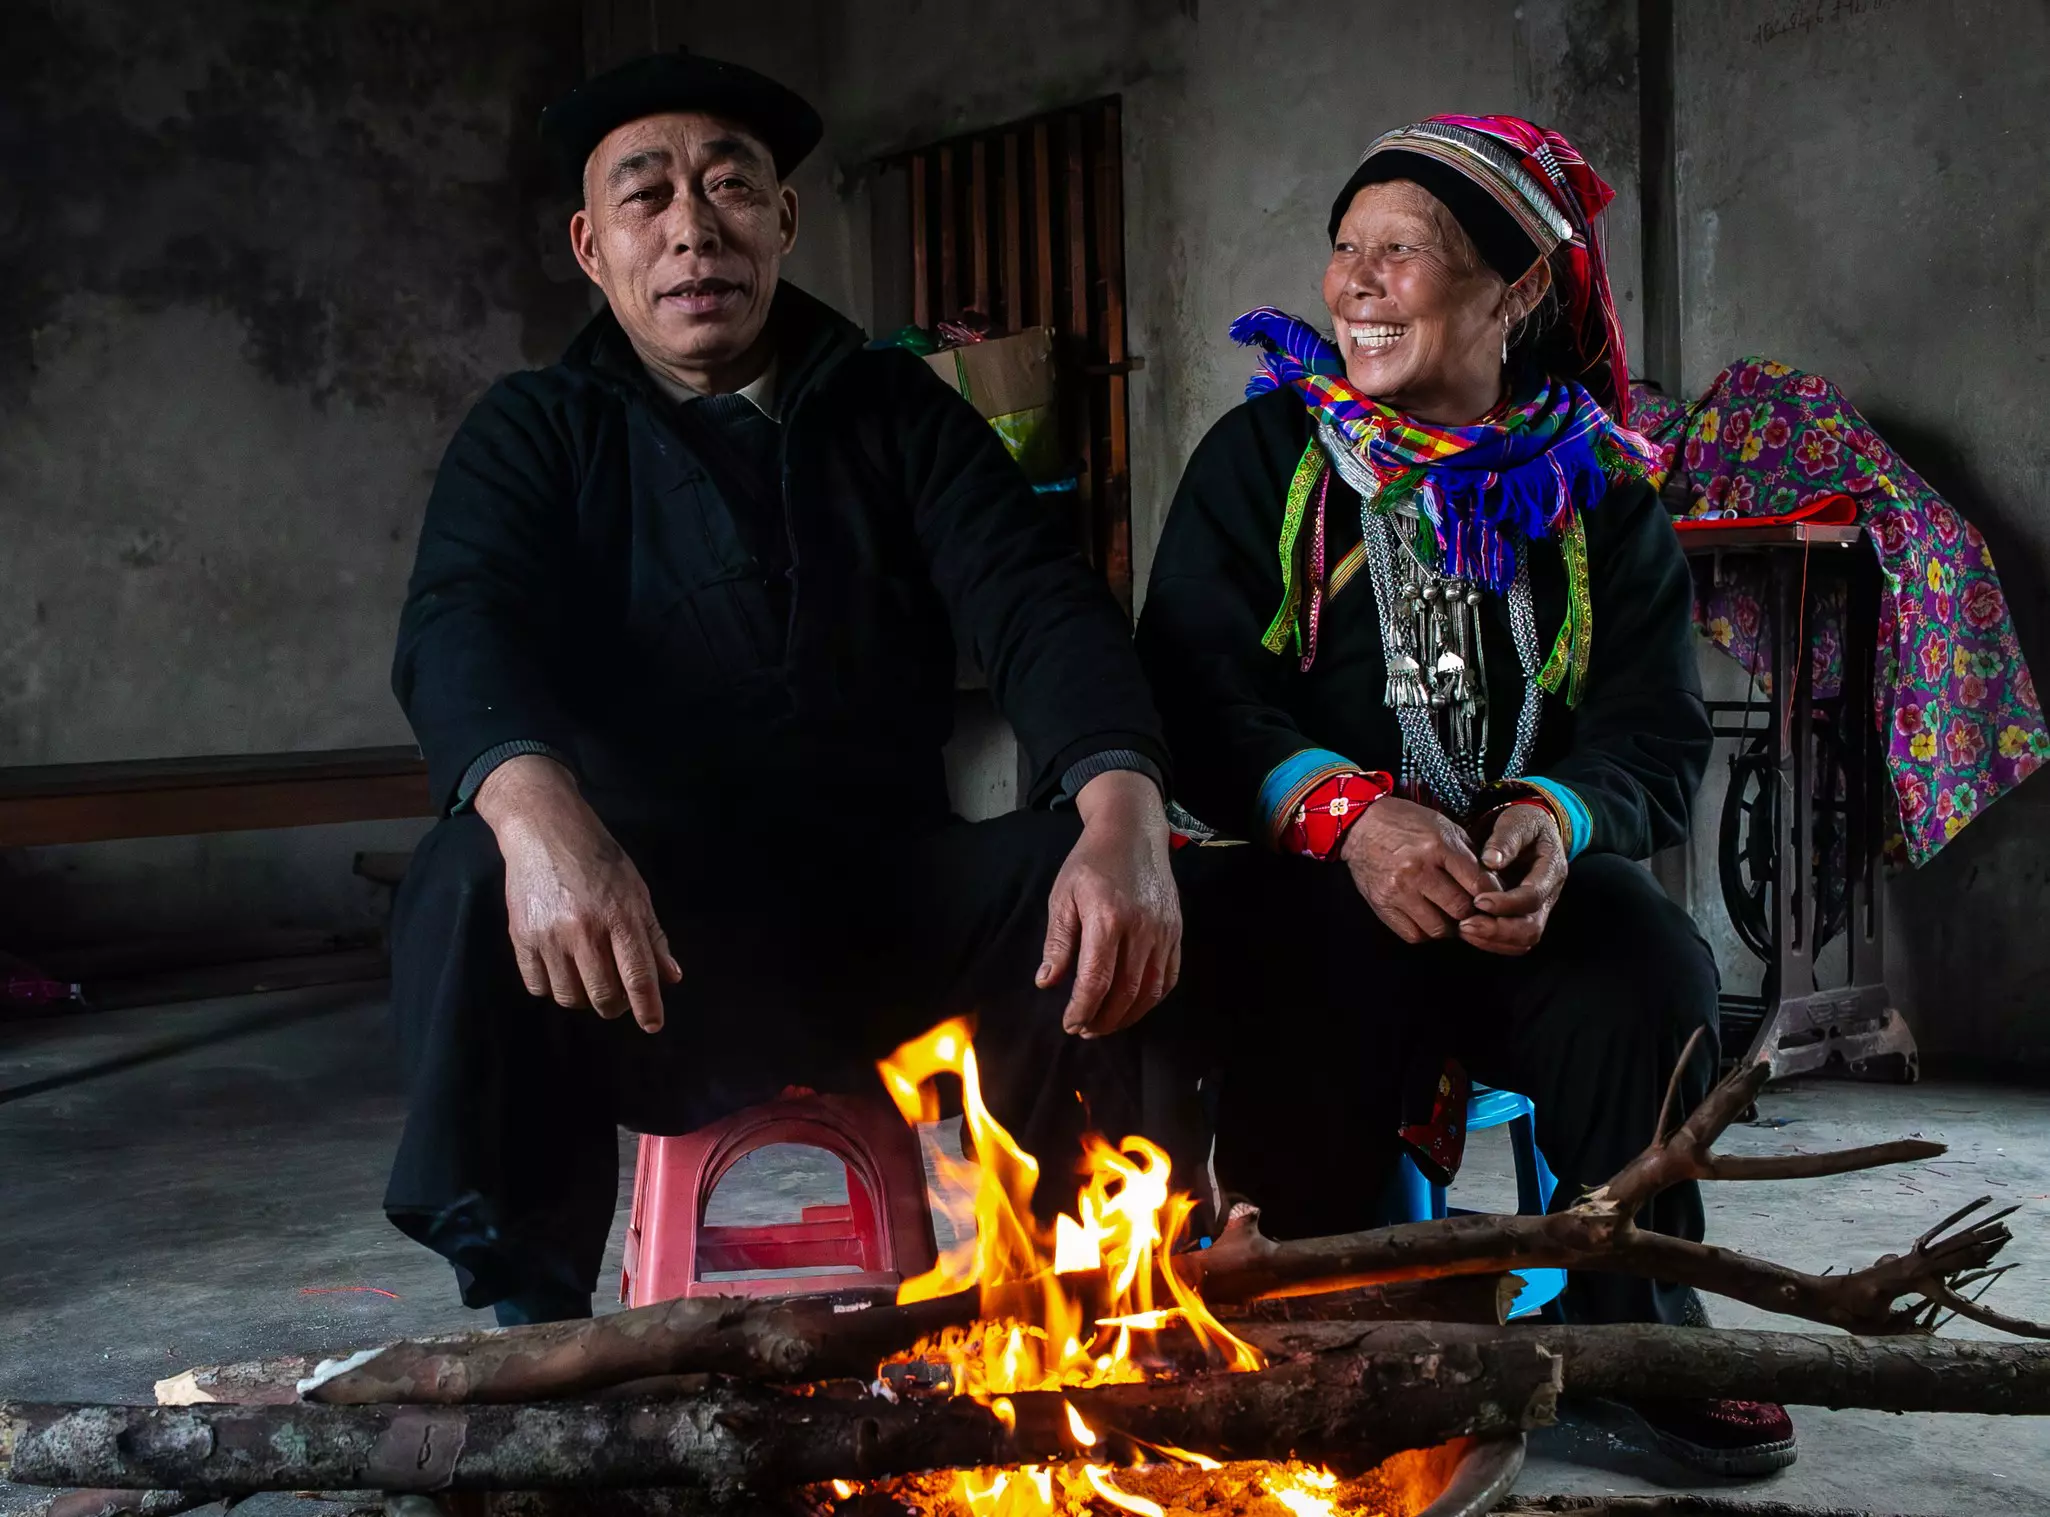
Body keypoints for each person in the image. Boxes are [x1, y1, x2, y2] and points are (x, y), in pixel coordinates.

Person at [385, 50, 1192, 1329]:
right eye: (646, 196)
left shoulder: (895, 410)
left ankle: (1085, 1299)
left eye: (729, 186)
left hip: (889, 919)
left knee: (1089, 873)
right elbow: (457, 620)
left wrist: (1124, 808)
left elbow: (1038, 600)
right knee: (473, 869)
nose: (692, 229)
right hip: (655, 955)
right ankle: (534, 1325)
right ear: (592, 247)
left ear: (784, 218)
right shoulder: (535, 429)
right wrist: (539, 819)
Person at [1136, 115, 1795, 1476]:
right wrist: (1346, 816)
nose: (1355, 283)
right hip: (1315, 880)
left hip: (1512, 900)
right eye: (1344, 248)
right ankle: (1324, 1330)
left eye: (1402, 252)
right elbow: (1190, 691)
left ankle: (1633, 1338)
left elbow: (1653, 729)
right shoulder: (1265, 459)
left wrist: (1552, 817)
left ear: (1515, 289)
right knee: (1303, 965)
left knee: (1647, 968)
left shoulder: (1596, 490)